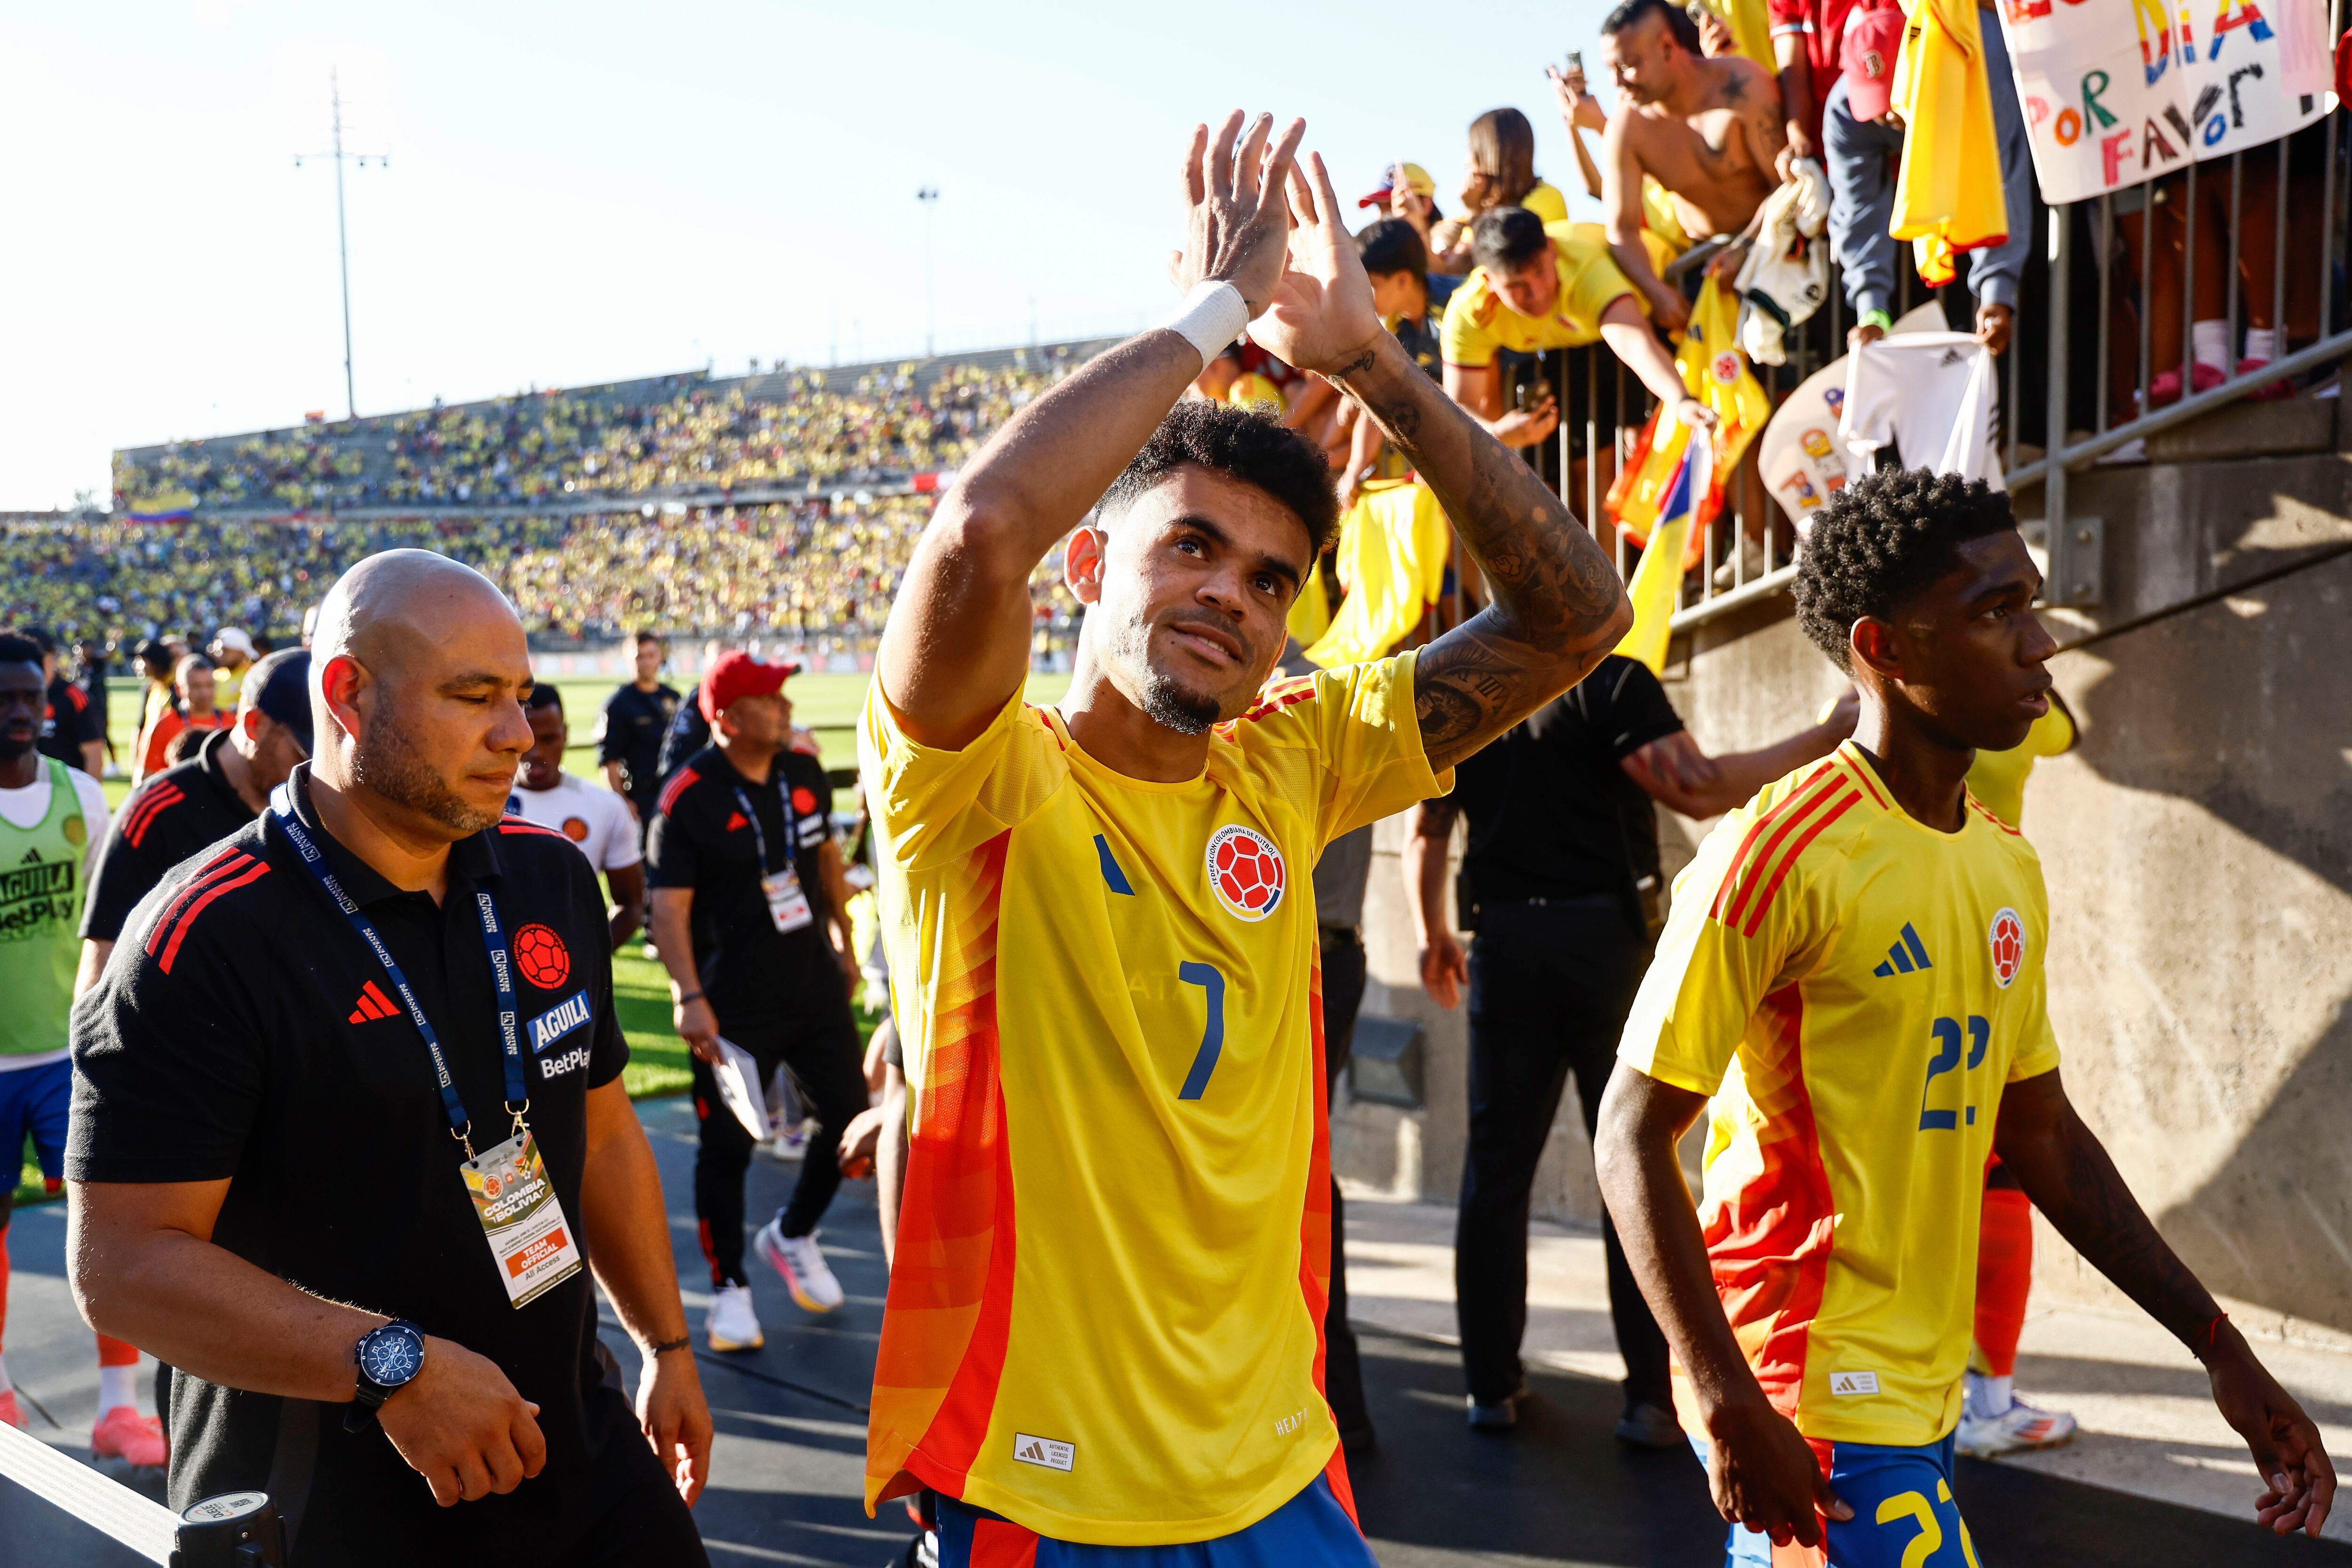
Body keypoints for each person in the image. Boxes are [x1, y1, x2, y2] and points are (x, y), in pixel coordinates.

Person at [858, 112, 1632, 1561]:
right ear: (1089, 560)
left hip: (1281, 1473)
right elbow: (975, 529)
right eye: (1190, 547)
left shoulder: (1291, 760)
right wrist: (1212, 310)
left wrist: (1369, 361)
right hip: (1048, 1490)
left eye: (1272, 579)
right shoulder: (967, 780)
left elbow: (1579, 615)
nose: (1232, 595)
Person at [1593, 470, 2335, 1562]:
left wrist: (2218, 1344)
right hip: (1812, 1389)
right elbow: (1629, 1129)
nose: (2039, 644)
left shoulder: (2003, 864)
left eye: (2030, 602)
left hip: (1921, 1396)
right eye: (1995, 612)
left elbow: (2038, 1136)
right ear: (1884, 648)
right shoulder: (1772, 856)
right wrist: (1719, 1392)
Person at [68, 550, 713, 1566]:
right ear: (347, 695)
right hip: (330, 1501)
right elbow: (124, 1263)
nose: (518, 733)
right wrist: (393, 1367)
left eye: (521, 695)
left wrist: (666, 1344)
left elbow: (606, 1130)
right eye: (473, 697)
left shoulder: (547, 876)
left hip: (574, 1442)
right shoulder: (205, 932)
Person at [1412, 659, 1855, 1442]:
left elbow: (1429, 827)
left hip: (1507, 942)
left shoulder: (1475, 683)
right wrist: (1829, 734)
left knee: (1495, 1166)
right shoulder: (1607, 681)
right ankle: (1651, 1396)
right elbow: (1698, 785)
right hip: (1603, 942)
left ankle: (1490, 1384)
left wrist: (1431, 931)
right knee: (1636, 1154)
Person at [645, 652, 864, 1354]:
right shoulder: (688, 797)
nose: (787, 709)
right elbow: (668, 909)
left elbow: (824, 858)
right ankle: (729, 1285)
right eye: (772, 700)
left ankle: (793, 1233)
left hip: (813, 986)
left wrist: (844, 938)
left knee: (853, 1122)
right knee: (727, 1148)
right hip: (733, 1004)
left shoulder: (802, 772)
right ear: (730, 719)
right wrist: (689, 998)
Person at [0, 633, 160, 1465]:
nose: (23, 713)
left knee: (113, 1224)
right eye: (7, 700)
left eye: (33, 697)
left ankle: (117, 1408)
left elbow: (114, 925)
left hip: (69, 1054)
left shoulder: (84, 796)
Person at [79, 650, 314, 984]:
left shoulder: (314, 805)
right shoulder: (159, 810)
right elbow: (103, 948)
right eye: (304, 753)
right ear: (253, 726)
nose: (316, 773)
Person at [1825, 0, 2028, 356]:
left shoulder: (1977, 58)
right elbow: (1858, 209)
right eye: (1876, 106)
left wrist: (1997, 292)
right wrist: (1871, 310)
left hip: (2021, 171)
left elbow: (2003, 179)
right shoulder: (1844, 110)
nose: (1888, 114)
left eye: (1893, 100)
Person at [1441, 206, 1713, 450]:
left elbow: (1634, 344)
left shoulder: (1584, 267)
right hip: (1583, 338)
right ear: (1488, 280)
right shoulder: (1469, 311)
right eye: (1516, 286)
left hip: (1666, 302)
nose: (1536, 294)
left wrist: (1682, 401)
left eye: (1540, 271)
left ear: (1552, 249)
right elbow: (1459, 408)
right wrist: (1497, 434)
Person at [1597, 0, 1788, 333]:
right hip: (1701, 270)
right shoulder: (1627, 129)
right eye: (1609, 69)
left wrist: (1745, 248)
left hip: (1773, 253)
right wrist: (1657, 293)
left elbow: (1785, 184)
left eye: (1628, 65)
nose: (1617, 82)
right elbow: (1622, 229)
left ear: (1668, 47)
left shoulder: (1741, 84)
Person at [509, 683, 646, 950]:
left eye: (548, 739)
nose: (537, 753)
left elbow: (631, 905)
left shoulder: (605, 807)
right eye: (527, 739)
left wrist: (587, 960)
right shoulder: (479, 808)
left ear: (566, 735)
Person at [1428, 109, 1573, 275]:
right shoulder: (1484, 208)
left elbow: (1502, 266)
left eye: (1473, 152)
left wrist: (1475, 215)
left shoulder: (1546, 198)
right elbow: (1453, 270)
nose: (1465, 163)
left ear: (1492, 155)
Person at [597, 630, 682, 836]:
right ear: (628, 659)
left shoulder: (673, 698)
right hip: (640, 799)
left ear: (660, 658)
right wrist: (622, 802)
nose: (645, 662)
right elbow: (609, 760)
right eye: (639, 657)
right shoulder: (618, 704)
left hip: (675, 794)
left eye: (651, 656)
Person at [137, 654, 231, 784]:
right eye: (196, 686)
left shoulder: (233, 723)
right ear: (179, 689)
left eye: (209, 685)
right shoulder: (164, 724)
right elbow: (145, 778)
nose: (204, 693)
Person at [30, 628, 106, 779]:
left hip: (65, 794)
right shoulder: (9, 698)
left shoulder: (75, 699)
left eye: (37, 659)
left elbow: (94, 754)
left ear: (53, 658)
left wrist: (87, 798)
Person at [208, 627, 258, 708]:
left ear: (241, 652)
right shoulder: (216, 675)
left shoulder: (253, 676)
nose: (221, 655)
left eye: (226, 651)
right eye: (220, 650)